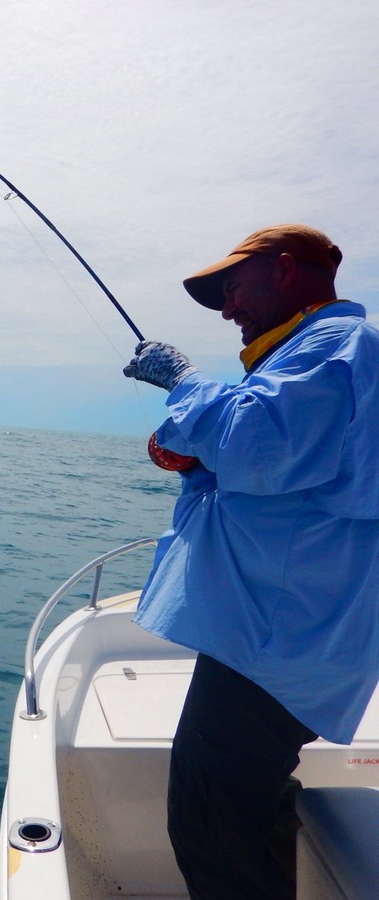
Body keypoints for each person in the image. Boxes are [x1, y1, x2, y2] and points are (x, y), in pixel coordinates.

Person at [122, 224, 379, 899]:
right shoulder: (319, 352)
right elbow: (295, 473)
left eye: (232, 288)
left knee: (207, 825)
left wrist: (181, 379)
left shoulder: (335, 344)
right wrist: (201, 462)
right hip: (285, 631)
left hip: (275, 639)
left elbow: (257, 443)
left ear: (287, 270)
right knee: (253, 811)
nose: (228, 308)